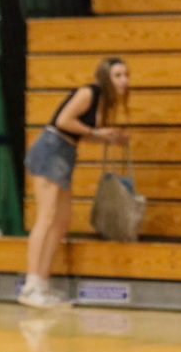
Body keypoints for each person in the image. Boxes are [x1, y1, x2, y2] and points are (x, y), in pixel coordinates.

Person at [19, 57, 130, 309]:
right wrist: (97, 133)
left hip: (65, 153)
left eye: (126, 74)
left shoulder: (103, 101)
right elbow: (63, 122)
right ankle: (31, 284)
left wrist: (109, 140)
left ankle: (42, 284)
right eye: (118, 75)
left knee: (61, 221)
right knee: (46, 218)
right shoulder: (88, 92)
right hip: (51, 150)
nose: (124, 80)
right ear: (105, 77)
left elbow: (78, 132)